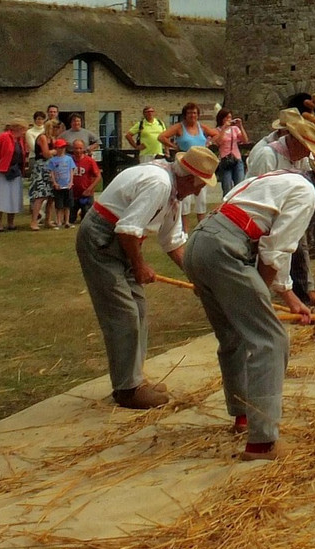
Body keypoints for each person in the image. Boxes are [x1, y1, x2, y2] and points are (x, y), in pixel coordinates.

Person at [180, 151, 315, 459]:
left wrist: (289, 298)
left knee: (233, 336)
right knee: (271, 340)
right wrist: (263, 293)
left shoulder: (278, 178)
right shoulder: (306, 195)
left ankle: (243, 415)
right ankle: (262, 443)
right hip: (226, 251)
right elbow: (274, 252)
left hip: (200, 245)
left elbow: (274, 247)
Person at [76, 145, 219, 409]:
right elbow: (127, 230)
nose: (200, 190)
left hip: (122, 241)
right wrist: (139, 265)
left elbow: (173, 242)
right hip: (101, 239)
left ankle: (135, 379)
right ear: (189, 178)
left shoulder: (174, 193)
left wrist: (196, 278)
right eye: (200, 185)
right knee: (124, 314)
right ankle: (127, 389)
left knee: (139, 309)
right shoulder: (159, 184)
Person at [247, 110, 315, 310]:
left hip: (285, 212)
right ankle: (258, 299)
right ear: (295, 141)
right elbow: (257, 191)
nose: (309, 153)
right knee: (265, 254)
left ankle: (300, 292)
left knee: (296, 248)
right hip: (259, 217)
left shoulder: (300, 159)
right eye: (306, 147)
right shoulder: (266, 154)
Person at [159, 103, 218, 233]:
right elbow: (161, 136)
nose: (192, 115)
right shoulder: (180, 127)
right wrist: (174, 146)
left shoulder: (201, 127)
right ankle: (184, 229)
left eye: (195, 113)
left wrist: (209, 143)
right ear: (185, 115)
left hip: (200, 164)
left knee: (201, 195)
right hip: (184, 162)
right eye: (190, 113)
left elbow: (216, 134)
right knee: (185, 197)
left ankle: (201, 227)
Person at [0, 120, 27, 232]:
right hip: (3, 170)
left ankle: (11, 222)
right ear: (17, 128)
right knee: (1, 197)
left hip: (15, 170)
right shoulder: (4, 136)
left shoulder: (20, 140)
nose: (24, 132)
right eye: (23, 129)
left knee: (14, 197)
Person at [29, 117, 59, 229]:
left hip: (51, 167)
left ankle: (48, 219)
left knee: (51, 196)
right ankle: (34, 221)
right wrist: (54, 151)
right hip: (41, 167)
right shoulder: (42, 138)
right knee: (40, 196)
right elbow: (46, 153)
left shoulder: (53, 139)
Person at [214, 108, 250, 195]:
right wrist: (224, 128)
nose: (229, 120)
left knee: (239, 185)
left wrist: (240, 126)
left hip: (237, 158)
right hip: (225, 159)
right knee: (227, 187)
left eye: (230, 117)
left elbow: (245, 140)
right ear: (221, 119)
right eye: (226, 118)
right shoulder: (217, 130)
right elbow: (219, 142)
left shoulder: (234, 129)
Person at [69, 140, 102, 225]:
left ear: (83, 148)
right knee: (70, 219)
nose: (78, 151)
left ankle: (83, 212)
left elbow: (98, 177)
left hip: (86, 193)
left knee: (87, 219)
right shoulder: (69, 160)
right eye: (76, 148)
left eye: (80, 148)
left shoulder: (89, 161)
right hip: (73, 194)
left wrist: (90, 189)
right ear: (73, 149)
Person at [45, 138, 76, 230]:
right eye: (59, 147)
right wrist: (54, 182)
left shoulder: (69, 159)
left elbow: (71, 171)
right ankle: (59, 221)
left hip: (67, 185)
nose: (61, 149)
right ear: (56, 148)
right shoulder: (53, 160)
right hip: (58, 186)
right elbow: (52, 172)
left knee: (67, 205)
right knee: (59, 205)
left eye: (63, 147)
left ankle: (66, 221)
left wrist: (71, 182)